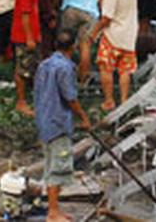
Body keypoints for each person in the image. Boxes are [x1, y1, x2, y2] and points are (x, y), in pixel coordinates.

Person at [34, 32, 93, 222]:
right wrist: (84, 117)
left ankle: (54, 209)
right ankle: (52, 212)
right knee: (57, 169)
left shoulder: (44, 65)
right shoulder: (65, 68)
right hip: (58, 124)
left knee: (51, 164)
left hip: (45, 121)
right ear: (73, 47)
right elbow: (70, 98)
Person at [89, 0, 139, 110]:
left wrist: (94, 33)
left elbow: (106, 18)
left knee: (106, 68)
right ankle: (124, 101)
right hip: (129, 35)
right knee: (125, 70)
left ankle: (109, 101)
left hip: (113, 35)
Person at [12, 0, 45, 117]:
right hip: (24, 36)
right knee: (22, 69)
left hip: (32, 34)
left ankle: (29, 99)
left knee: (31, 67)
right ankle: (21, 101)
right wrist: (29, 37)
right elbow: (24, 14)